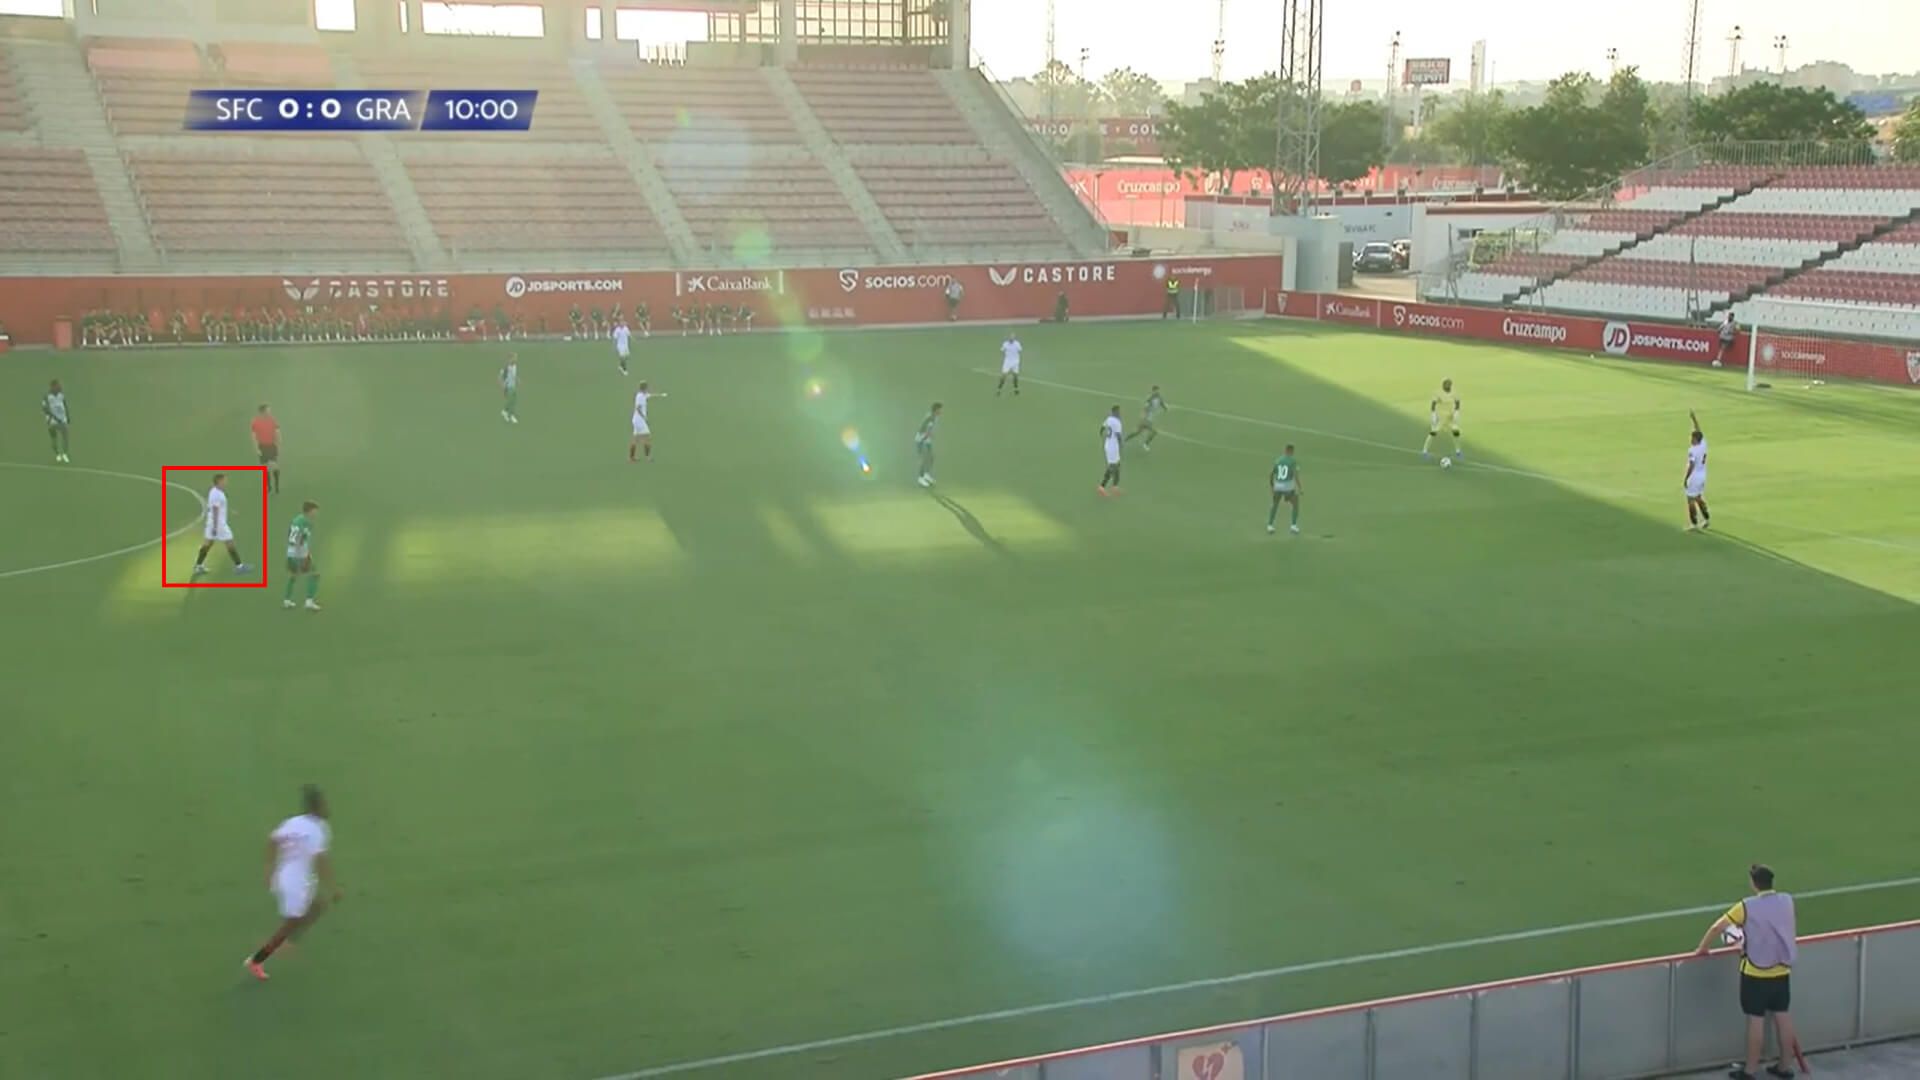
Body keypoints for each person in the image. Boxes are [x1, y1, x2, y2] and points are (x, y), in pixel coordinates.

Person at [1695, 864, 1799, 1080]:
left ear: (1754, 883)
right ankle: (1785, 1066)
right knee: (1783, 1016)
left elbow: (1718, 927)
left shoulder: (1747, 906)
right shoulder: (1787, 900)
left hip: (1755, 972)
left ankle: (1750, 1070)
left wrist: (1702, 948)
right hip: (1782, 970)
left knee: (1756, 1020)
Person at [244, 785, 340, 981]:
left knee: (317, 905)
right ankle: (256, 960)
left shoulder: (292, 822)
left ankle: (288, 941)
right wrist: (334, 887)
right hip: (295, 883)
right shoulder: (318, 830)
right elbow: (321, 861)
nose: (327, 807)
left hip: (287, 876)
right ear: (317, 807)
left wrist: (268, 869)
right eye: (323, 804)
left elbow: (272, 841)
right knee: (291, 924)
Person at [192, 474, 250, 578]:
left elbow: (219, 505)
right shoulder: (216, 494)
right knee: (229, 542)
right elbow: (215, 509)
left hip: (213, 522)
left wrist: (230, 511)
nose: (226, 482)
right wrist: (215, 527)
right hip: (218, 524)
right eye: (224, 480)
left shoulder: (215, 491)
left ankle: (198, 566)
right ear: (219, 481)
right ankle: (239, 566)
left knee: (207, 544)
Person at [283, 501, 321, 611]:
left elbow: (290, 535)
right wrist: (304, 554)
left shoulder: (297, 520)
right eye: (315, 511)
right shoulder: (304, 522)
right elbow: (298, 539)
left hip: (290, 553)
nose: (316, 513)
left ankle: (287, 600)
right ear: (310, 511)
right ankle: (309, 601)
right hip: (299, 554)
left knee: (294, 575)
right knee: (315, 574)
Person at [1422, 378, 1462, 460]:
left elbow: (1457, 402)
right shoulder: (1438, 393)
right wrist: (1433, 414)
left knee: (1456, 432)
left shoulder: (1454, 393)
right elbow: (1433, 404)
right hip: (1440, 418)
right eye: (1445, 385)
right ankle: (1424, 451)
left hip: (1450, 418)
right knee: (1433, 433)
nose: (1446, 387)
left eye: (1448, 385)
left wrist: (1456, 411)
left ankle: (1458, 451)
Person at [1268, 443, 1302, 534]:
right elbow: (1295, 475)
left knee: (1275, 504)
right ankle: (1293, 526)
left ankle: (1270, 525)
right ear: (1290, 451)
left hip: (1278, 486)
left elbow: (1271, 474)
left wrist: (1272, 486)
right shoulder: (1292, 461)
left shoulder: (1278, 460)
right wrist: (1300, 488)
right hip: (1288, 487)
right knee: (1295, 504)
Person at [1685, 410, 1711, 531]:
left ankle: (1694, 523)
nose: (1691, 438)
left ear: (1696, 439)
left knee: (1690, 499)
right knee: (1698, 497)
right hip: (1703, 475)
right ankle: (1706, 519)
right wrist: (1693, 419)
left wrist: (1686, 478)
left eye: (1692, 437)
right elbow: (1698, 429)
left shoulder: (1693, 450)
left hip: (1695, 476)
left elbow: (1691, 465)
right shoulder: (1703, 444)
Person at [630, 380, 666, 463]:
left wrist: (660, 395)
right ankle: (648, 457)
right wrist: (644, 418)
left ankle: (632, 458)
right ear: (644, 388)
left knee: (635, 439)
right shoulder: (640, 397)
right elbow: (638, 408)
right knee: (647, 438)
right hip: (639, 420)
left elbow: (650, 395)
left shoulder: (642, 395)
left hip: (636, 420)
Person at [251, 404, 281, 494]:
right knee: (265, 468)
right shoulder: (256, 422)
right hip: (262, 446)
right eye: (268, 411)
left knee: (274, 465)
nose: (269, 412)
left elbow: (277, 432)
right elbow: (254, 436)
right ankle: (269, 487)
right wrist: (256, 448)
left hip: (271, 446)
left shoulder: (272, 420)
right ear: (262, 412)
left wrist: (278, 444)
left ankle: (276, 486)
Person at [1125, 385, 1167, 450]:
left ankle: (1125, 440)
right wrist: (1143, 417)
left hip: (1149, 419)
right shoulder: (1150, 399)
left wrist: (1165, 408)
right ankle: (1145, 444)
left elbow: (1162, 403)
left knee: (1137, 432)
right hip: (1146, 419)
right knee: (1154, 432)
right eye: (1156, 391)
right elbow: (1145, 408)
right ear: (1153, 391)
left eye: (1158, 391)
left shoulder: (1159, 398)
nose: (1157, 392)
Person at [1098, 405, 1125, 494]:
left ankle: (1115, 486)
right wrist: (1121, 444)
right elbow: (1118, 435)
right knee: (1113, 467)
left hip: (1109, 445)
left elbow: (1102, 428)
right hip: (1112, 448)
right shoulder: (1117, 422)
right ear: (1115, 412)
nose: (1120, 413)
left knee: (1117, 465)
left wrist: (1101, 434)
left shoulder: (1109, 419)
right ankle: (1102, 486)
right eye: (1118, 411)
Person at [915, 402, 941, 488]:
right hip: (921, 439)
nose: (941, 411)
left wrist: (930, 435)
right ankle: (920, 478)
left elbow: (929, 429)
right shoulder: (930, 417)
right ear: (935, 410)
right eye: (939, 409)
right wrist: (924, 438)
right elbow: (923, 428)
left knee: (931, 458)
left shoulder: (935, 417)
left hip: (927, 440)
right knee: (924, 459)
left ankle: (926, 475)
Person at [43, 379, 70, 464]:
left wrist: (67, 416)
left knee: (65, 437)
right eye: (57, 386)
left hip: (62, 419)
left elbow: (65, 405)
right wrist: (54, 417)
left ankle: (65, 454)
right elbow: (45, 409)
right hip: (52, 421)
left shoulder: (61, 395)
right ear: (52, 387)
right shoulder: (47, 396)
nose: (59, 387)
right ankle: (57, 454)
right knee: (54, 439)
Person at [996, 332, 1022, 396]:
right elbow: (1002, 350)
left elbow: (1020, 350)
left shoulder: (1017, 344)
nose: (1011, 339)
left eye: (1013, 338)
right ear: (1009, 338)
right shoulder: (1005, 344)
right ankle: (999, 389)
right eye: (1011, 338)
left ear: (1014, 338)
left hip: (1015, 362)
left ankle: (1016, 389)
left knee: (1015, 376)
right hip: (1007, 362)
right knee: (1003, 376)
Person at [499, 353, 519, 424]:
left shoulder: (515, 366)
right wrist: (503, 387)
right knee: (510, 400)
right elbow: (500, 377)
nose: (516, 359)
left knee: (514, 400)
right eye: (514, 358)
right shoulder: (506, 368)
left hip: (513, 386)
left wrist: (517, 380)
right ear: (510, 359)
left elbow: (514, 375)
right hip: (508, 386)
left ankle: (504, 411)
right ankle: (511, 416)